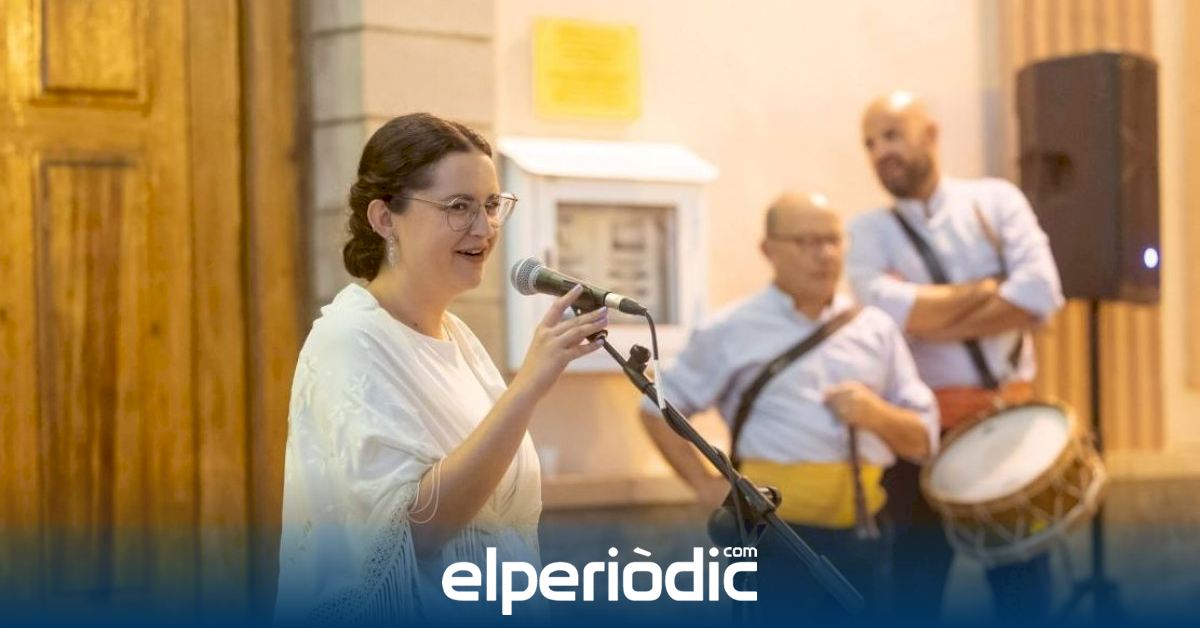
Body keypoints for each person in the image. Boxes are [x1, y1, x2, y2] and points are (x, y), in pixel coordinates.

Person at [274, 113, 608, 623]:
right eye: (458, 207)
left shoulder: (459, 338)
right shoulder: (349, 340)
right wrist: (527, 387)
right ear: (385, 218)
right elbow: (412, 533)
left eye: (491, 206)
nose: (484, 229)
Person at [639, 192, 938, 619]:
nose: (825, 254)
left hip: (866, 534)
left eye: (833, 240)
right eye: (806, 242)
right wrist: (704, 486)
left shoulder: (876, 329)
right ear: (769, 250)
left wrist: (877, 414)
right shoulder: (731, 329)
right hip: (772, 536)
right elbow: (656, 410)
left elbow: (923, 441)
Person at [847, 91, 1065, 623]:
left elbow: (1041, 295)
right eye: (870, 144)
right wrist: (989, 291)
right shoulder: (866, 232)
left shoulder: (996, 202)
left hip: (1008, 430)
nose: (880, 152)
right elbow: (881, 317)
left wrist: (923, 314)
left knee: (1026, 596)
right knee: (911, 595)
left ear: (931, 135)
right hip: (918, 441)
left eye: (892, 135)